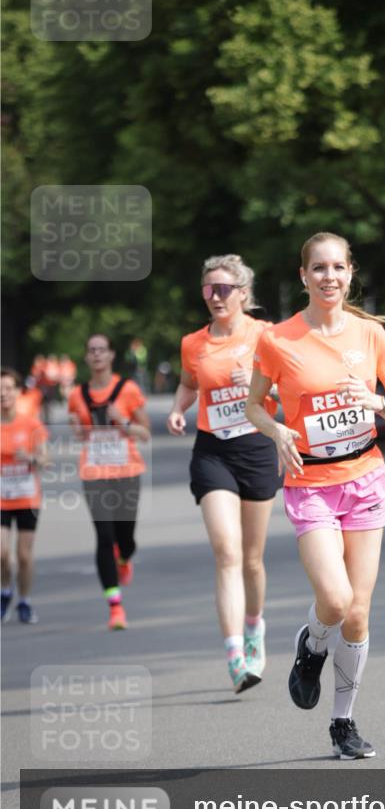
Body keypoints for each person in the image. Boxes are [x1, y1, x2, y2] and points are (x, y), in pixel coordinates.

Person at [247, 232, 385, 760]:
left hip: (365, 480)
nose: (329, 277)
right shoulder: (278, 340)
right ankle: (311, 646)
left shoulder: (370, 336)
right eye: (318, 268)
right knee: (336, 600)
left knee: (359, 613)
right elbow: (255, 406)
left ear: (350, 273)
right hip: (311, 485)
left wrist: (375, 399)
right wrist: (277, 433)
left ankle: (342, 722)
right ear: (304, 276)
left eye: (338, 267)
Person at [167, 255, 280, 694]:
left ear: (243, 294)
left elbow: (289, 379)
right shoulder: (193, 342)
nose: (215, 296)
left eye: (224, 289)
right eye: (209, 289)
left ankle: (254, 627)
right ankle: (235, 653)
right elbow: (189, 383)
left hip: (256, 447)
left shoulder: (265, 335)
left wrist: (255, 382)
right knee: (226, 551)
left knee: (251, 558)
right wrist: (178, 409)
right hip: (213, 451)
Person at [68, 334, 150, 630]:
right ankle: (115, 608)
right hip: (94, 473)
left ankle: (125, 558)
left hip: (127, 471)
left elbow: (145, 433)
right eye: (92, 351)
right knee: (104, 537)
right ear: (87, 358)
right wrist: (80, 430)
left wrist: (123, 421)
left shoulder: (127, 389)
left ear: (111, 355)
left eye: (102, 349)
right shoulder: (78, 394)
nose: (97, 355)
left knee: (125, 537)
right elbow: (75, 428)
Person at [1, 368, 49, 624]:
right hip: (1, 499)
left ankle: (24, 601)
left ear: (18, 392)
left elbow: (46, 460)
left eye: (8, 388)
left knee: (23, 555)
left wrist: (29, 457)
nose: (3, 394)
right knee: (1, 553)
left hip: (27, 497)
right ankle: (5, 591)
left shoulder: (31, 424)